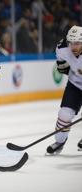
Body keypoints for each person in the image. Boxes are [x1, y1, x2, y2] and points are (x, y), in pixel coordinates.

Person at [46, 25, 82, 154]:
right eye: (72, 43)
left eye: (77, 43)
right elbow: (62, 65)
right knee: (64, 114)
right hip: (75, 84)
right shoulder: (62, 48)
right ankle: (60, 142)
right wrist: (63, 67)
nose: (74, 47)